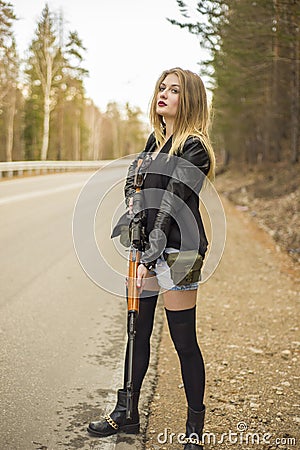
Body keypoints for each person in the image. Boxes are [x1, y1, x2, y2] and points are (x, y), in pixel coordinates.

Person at [87, 67, 216, 449]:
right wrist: (137, 238)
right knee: (135, 333)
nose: (163, 94)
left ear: (189, 99)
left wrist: (151, 250)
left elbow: (173, 202)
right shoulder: (154, 141)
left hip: (179, 250)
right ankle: (126, 412)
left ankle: (194, 428)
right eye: (162, 87)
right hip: (145, 248)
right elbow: (139, 192)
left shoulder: (195, 147)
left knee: (182, 340)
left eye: (174, 90)